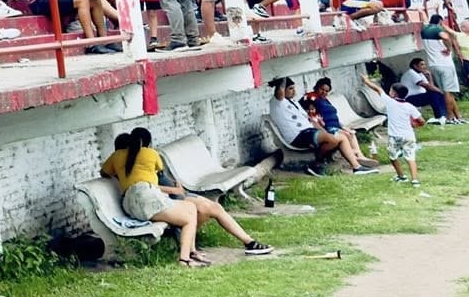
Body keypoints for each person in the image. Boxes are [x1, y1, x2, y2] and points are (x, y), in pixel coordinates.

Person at [99, 129, 272, 266]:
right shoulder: (148, 156)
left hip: (153, 199)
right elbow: (153, 187)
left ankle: (238, 243)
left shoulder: (120, 160)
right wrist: (174, 190)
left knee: (210, 208)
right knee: (198, 211)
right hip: (160, 198)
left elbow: (108, 174)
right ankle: (189, 253)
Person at [268, 79, 378, 173]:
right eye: (290, 88)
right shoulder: (278, 102)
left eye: (294, 88)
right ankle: (317, 163)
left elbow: (310, 120)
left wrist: (323, 131)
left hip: (309, 131)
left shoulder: (293, 102)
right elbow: (280, 92)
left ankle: (357, 167)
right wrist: (281, 79)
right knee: (333, 140)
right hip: (297, 136)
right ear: (281, 90)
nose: (294, 91)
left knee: (341, 137)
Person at [380, 81, 424, 185]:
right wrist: (415, 125)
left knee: (393, 156)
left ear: (393, 94)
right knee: (411, 157)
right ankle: (415, 180)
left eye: (390, 90)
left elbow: (378, 90)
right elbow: (421, 120)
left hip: (394, 137)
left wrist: (366, 81)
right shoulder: (409, 106)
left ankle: (401, 176)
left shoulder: (390, 102)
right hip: (409, 136)